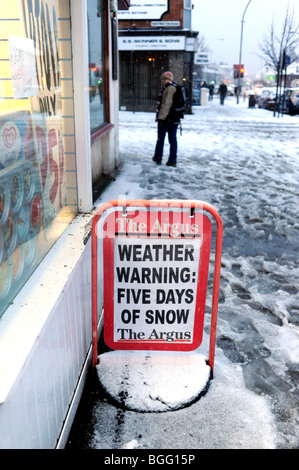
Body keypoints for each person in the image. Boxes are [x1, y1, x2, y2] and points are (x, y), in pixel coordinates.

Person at [152, 71, 179, 167]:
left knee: (161, 139)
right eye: (162, 78)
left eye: (164, 78)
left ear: (168, 79)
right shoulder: (174, 87)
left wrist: (160, 117)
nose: (162, 80)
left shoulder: (169, 88)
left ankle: (159, 158)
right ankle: (171, 160)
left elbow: (166, 104)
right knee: (172, 140)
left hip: (167, 119)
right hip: (174, 119)